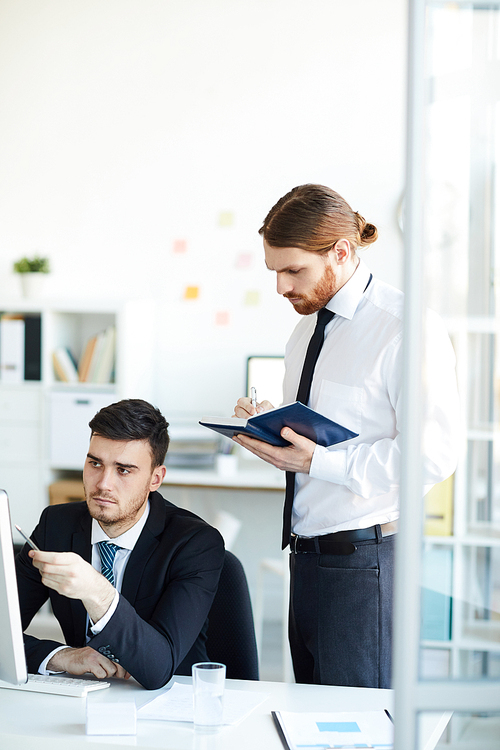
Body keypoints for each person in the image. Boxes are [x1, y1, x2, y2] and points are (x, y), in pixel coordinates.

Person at [233, 184, 460, 688]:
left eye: (294, 271)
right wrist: (275, 424)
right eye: (275, 271)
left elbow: (434, 453)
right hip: (306, 558)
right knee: (313, 720)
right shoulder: (306, 327)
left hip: (364, 564)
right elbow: (329, 431)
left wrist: (317, 463)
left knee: (359, 730)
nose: (281, 287)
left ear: (341, 252)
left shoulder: (406, 328)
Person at [16, 398, 225, 690]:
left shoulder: (195, 543)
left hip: (171, 704)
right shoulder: (56, 526)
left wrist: (97, 591)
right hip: (85, 698)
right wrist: (60, 656)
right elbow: (3, 631)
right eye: (95, 463)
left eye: (123, 470)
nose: (103, 484)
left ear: (155, 478)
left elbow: (159, 667)